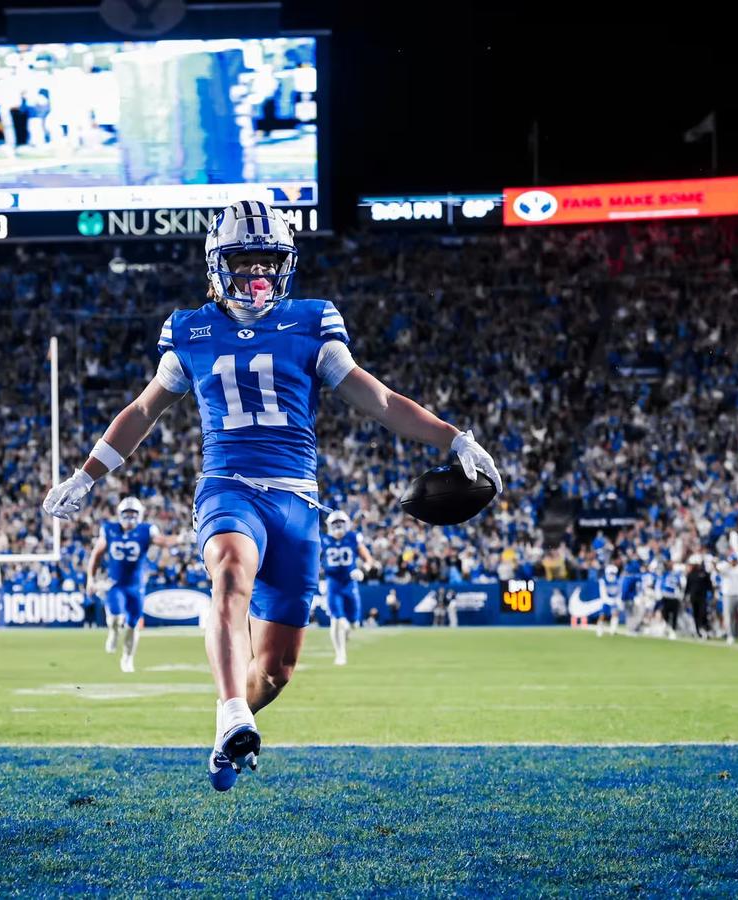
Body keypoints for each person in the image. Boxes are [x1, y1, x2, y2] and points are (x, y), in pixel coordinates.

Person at [43, 199, 502, 791]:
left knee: (278, 669)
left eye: (269, 263)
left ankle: (228, 724)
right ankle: (233, 708)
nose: (257, 276)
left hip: (298, 503)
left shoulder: (312, 322)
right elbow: (143, 409)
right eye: (244, 263)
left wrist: (455, 438)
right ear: (216, 265)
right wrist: (85, 476)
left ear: (286, 265)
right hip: (227, 486)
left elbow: (380, 400)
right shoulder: (190, 329)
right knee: (231, 570)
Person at [85, 497, 179, 673]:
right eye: (126, 514)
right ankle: (113, 631)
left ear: (140, 515)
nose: (129, 518)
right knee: (114, 616)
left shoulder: (146, 530)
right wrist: (91, 578)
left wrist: (180, 538)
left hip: (135, 586)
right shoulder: (109, 529)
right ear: (119, 515)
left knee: (132, 625)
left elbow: (163, 541)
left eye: (133, 514)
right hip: (115, 584)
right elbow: (97, 554)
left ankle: (127, 658)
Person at [321, 510, 374, 665]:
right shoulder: (323, 540)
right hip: (333, 583)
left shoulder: (353, 538)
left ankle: (348, 632)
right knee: (337, 620)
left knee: (354, 624)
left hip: (350, 583)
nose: (338, 526)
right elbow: (313, 561)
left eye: (340, 523)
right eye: (335, 523)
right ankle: (340, 655)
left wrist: (363, 569)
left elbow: (368, 559)